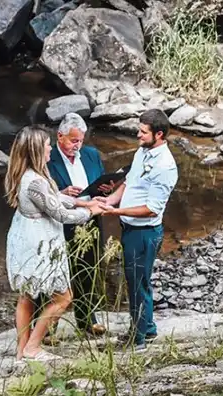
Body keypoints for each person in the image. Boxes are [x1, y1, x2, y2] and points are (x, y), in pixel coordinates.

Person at [4, 125, 104, 361]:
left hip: (24, 235)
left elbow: (54, 198)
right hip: (39, 241)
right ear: (37, 150)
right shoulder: (35, 181)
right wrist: (92, 212)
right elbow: (59, 214)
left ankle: (21, 351)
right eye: (47, 145)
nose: (51, 148)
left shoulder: (26, 173)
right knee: (63, 297)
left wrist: (83, 203)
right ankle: (33, 346)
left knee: (27, 296)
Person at [96, 109, 178, 350]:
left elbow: (152, 209)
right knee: (139, 281)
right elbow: (129, 182)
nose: (138, 135)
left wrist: (116, 212)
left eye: (143, 132)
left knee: (136, 284)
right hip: (130, 229)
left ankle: (137, 339)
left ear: (159, 134)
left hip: (144, 234)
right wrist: (110, 201)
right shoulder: (143, 151)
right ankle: (148, 328)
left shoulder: (165, 166)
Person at [33, 113, 111, 337]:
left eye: (81, 140)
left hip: (91, 217)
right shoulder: (47, 158)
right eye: (73, 140)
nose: (78, 145)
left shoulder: (91, 154)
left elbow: (101, 180)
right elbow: (40, 192)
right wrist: (61, 193)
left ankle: (88, 319)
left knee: (89, 269)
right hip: (60, 222)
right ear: (60, 136)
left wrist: (105, 189)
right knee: (55, 272)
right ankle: (47, 326)